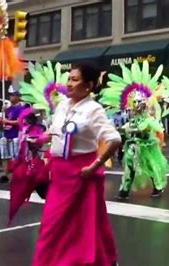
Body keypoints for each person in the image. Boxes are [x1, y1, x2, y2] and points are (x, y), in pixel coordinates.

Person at [33, 63, 121, 266]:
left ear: (89, 85)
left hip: (81, 173)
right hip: (59, 174)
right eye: (69, 79)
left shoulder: (93, 109)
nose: (69, 84)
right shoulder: (63, 104)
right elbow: (57, 132)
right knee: (52, 224)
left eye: (75, 80)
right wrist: (40, 138)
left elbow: (114, 139)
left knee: (85, 223)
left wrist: (95, 165)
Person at [100, 61, 169, 200]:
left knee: (150, 166)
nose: (139, 105)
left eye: (141, 102)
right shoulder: (131, 117)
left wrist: (135, 129)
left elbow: (148, 128)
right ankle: (124, 190)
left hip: (145, 146)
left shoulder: (148, 118)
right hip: (132, 146)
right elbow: (126, 129)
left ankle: (158, 186)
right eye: (136, 102)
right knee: (129, 167)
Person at [0, 91, 25, 183]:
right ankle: (5, 174)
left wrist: (7, 121)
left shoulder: (20, 108)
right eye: (10, 95)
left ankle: (17, 174)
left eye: (13, 95)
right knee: (4, 156)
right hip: (6, 134)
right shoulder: (8, 109)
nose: (10, 97)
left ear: (18, 97)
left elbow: (19, 121)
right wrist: (3, 117)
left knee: (15, 156)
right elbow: (5, 120)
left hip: (16, 135)